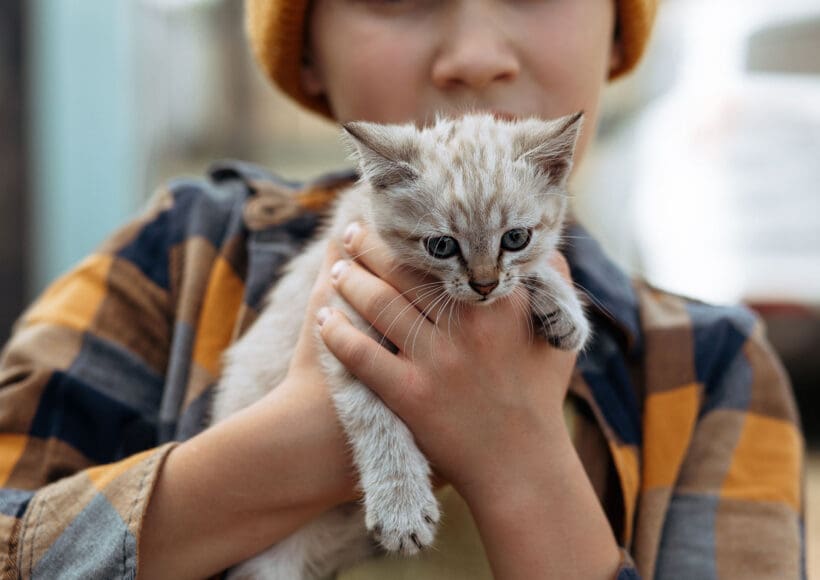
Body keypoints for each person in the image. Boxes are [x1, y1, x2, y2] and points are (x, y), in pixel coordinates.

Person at [0, 0, 805, 578]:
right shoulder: (176, 257)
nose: (475, 52)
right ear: (307, 46)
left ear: (618, 31)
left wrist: (518, 460)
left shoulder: (715, 367)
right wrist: (297, 446)